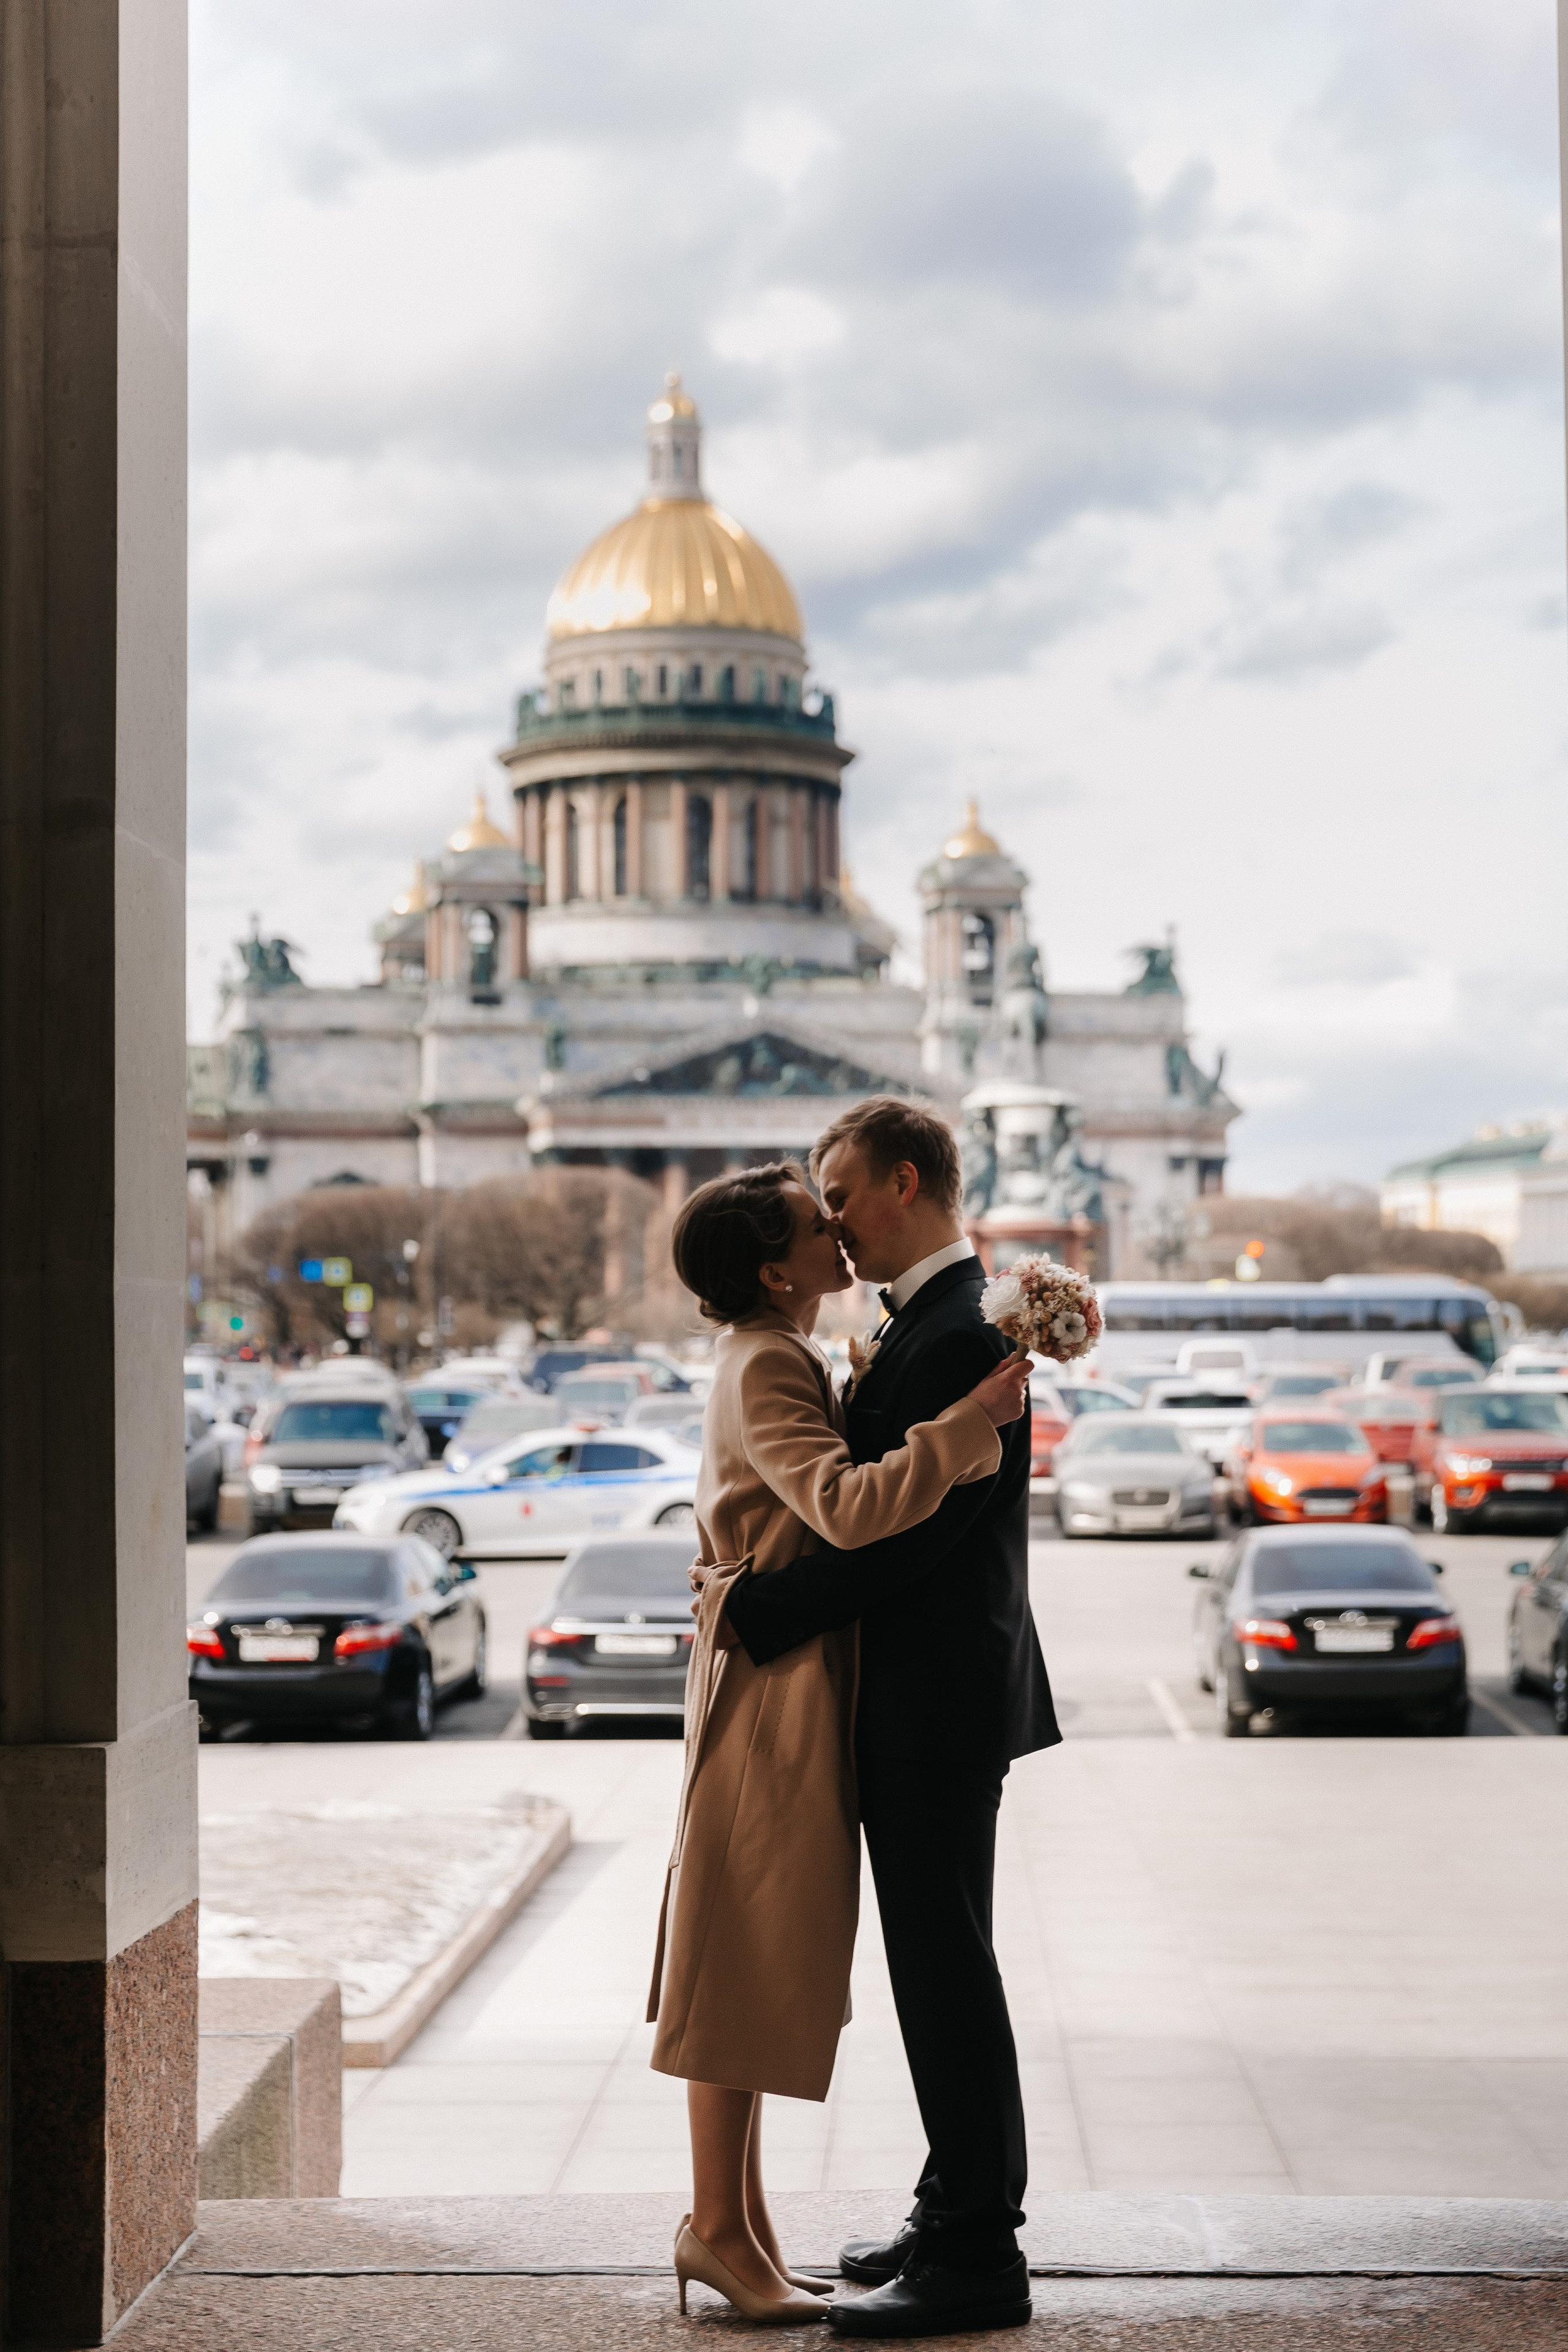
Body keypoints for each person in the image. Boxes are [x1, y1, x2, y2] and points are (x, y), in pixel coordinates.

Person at [649, 1159, 1031, 2325]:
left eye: (840, 1203)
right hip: (776, 1686)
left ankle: (739, 2230)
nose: (840, 1236)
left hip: (797, 1680)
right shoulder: (769, 1358)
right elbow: (849, 1509)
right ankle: (719, 2228)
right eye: (820, 1224)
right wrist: (969, 1426)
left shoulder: (789, 1349)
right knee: (744, 1948)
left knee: (759, 1950)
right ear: (776, 1269)